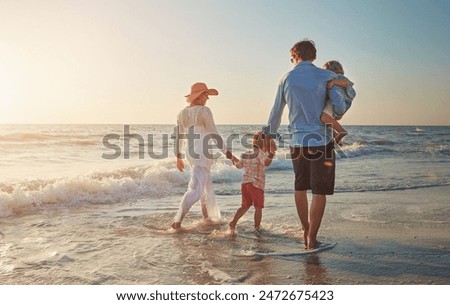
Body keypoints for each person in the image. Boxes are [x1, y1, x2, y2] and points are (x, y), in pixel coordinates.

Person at [263, 39, 349, 249]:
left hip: (298, 141)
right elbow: (338, 105)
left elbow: (276, 112)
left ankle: (305, 230)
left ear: (295, 55)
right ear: (314, 56)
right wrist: (335, 113)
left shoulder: (286, 78)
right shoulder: (327, 75)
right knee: (319, 191)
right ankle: (312, 238)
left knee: (300, 187)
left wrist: (269, 136)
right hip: (322, 140)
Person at [172, 82, 238, 230]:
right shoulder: (204, 111)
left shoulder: (181, 113)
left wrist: (179, 157)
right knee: (195, 189)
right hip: (202, 153)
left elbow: (179, 137)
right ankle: (177, 221)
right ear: (199, 96)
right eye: (206, 95)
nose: (207, 98)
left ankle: (207, 218)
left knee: (205, 186)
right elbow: (214, 135)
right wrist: (229, 155)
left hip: (192, 154)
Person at [229, 132, 276, 236]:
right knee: (258, 208)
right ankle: (257, 228)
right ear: (265, 145)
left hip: (245, 184)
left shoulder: (247, 153)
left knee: (245, 206)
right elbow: (266, 163)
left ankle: (233, 222)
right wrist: (272, 153)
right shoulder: (261, 154)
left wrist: (233, 159)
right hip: (256, 185)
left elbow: (239, 165)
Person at [320, 60, 356, 144]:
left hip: (334, 102)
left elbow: (347, 83)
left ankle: (341, 131)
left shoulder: (337, 77)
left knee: (324, 118)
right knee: (328, 121)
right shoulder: (336, 78)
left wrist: (334, 81)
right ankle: (336, 136)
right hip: (338, 103)